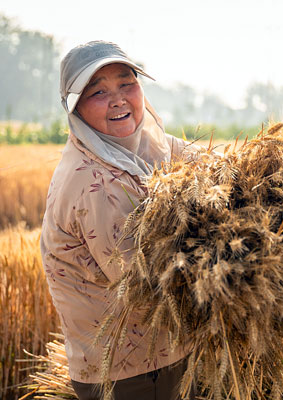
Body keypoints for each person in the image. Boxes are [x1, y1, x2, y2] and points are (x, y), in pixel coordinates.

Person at [41, 41, 196, 400]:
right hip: (131, 376)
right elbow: (146, 289)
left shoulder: (139, 144)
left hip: (162, 360)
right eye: (98, 91)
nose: (118, 99)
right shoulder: (95, 185)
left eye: (127, 83)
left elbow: (214, 166)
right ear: (75, 109)